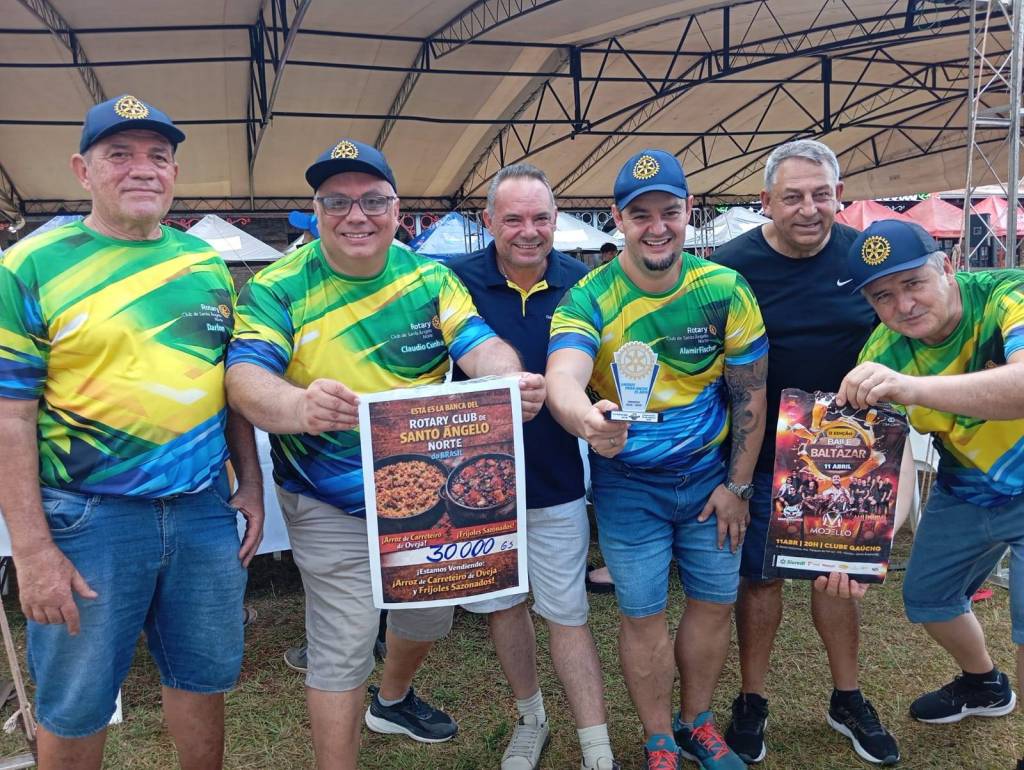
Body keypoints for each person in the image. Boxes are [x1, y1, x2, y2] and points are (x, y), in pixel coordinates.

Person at [224, 138, 545, 770]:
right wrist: (300, 407)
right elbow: (245, 379)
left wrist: (507, 382)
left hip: (427, 499)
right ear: (315, 211)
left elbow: (479, 345)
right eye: (336, 202)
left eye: (373, 201)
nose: (356, 215)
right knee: (342, 646)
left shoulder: (430, 279)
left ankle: (391, 699)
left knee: (427, 619)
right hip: (328, 499)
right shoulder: (277, 286)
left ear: (397, 210)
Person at [0, 95, 265, 770]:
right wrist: (31, 551)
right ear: (82, 171)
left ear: (174, 173)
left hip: (202, 509)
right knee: (75, 701)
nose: (142, 168)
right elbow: (9, 415)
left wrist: (251, 483)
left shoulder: (204, 263)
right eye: (119, 155)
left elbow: (228, 385)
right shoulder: (30, 266)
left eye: (158, 156)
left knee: (202, 679)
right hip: (88, 519)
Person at [547, 148, 768, 770]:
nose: (656, 227)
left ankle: (697, 723)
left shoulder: (723, 288)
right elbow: (563, 374)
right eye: (640, 214)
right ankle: (658, 739)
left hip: (710, 482)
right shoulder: (589, 296)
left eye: (669, 211)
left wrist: (737, 488)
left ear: (688, 210)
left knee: (713, 604)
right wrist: (586, 420)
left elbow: (750, 393)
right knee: (642, 613)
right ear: (618, 218)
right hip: (627, 486)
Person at [712, 139, 901, 766]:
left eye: (821, 194)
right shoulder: (732, 266)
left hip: (853, 455)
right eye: (791, 197)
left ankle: (847, 697)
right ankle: (752, 700)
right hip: (764, 455)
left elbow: (904, 329)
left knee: (837, 583)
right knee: (760, 580)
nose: (809, 208)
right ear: (765, 201)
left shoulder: (867, 254)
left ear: (839, 195)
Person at [832, 218, 1024, 765]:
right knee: (928, 598)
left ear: (947, 266)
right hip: (965, 489)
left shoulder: (1008, 294)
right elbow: (881, 466)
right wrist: (863, 547)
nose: (904, 305)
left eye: (913, 282)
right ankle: (984, 684)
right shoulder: (881, 352)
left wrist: (913, 388)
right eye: (883, 296)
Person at [447, 163, 618, 770]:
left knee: (567, 613)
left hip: (555, 482)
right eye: (513, 218)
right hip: (478, 489)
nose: (528, 231)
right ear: (488, 220)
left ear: (556, 219)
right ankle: (531, 718)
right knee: (503, 605)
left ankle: (596, 745)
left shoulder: (584, 285)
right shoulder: (453, 283)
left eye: (540, 218)